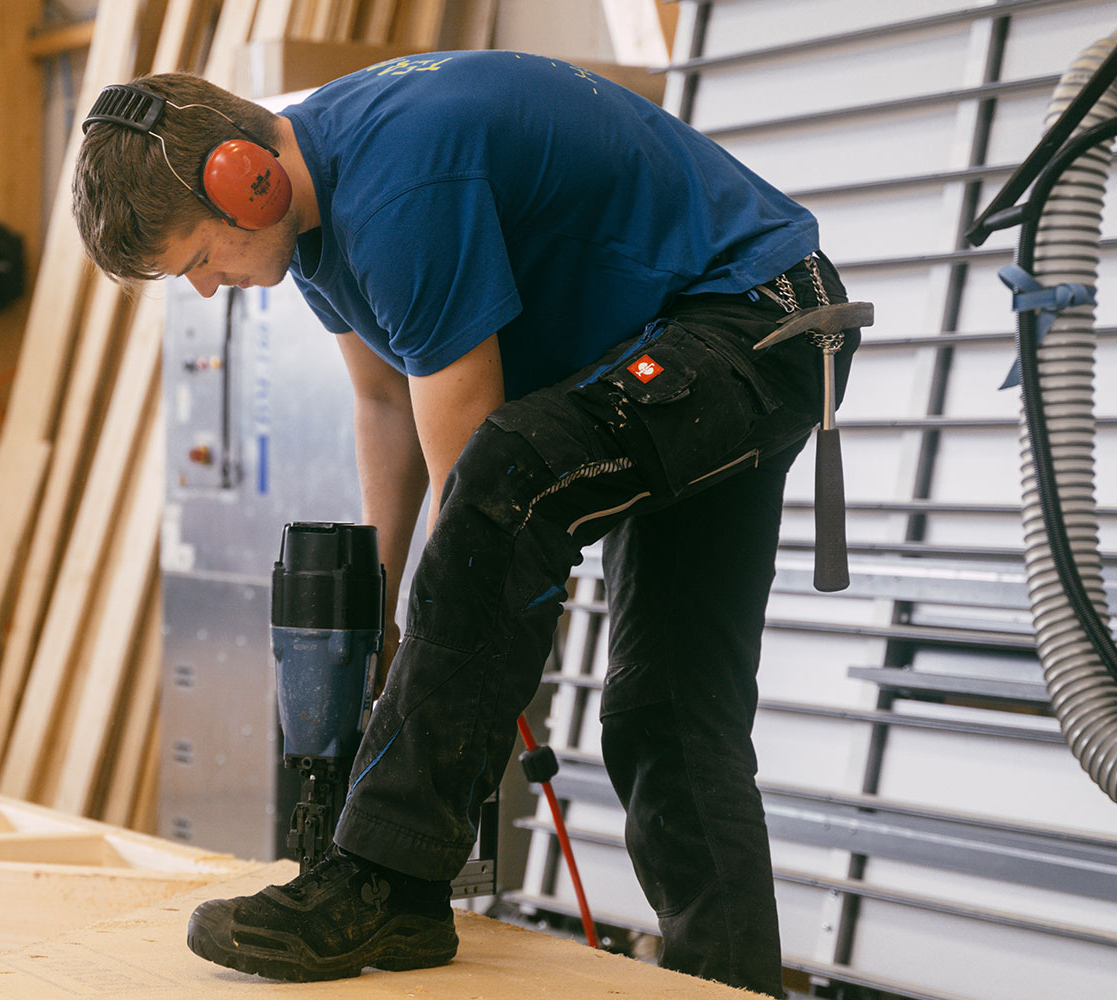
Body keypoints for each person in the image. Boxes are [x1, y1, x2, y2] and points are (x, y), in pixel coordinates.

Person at [72, 51, 860, 996]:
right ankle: (732, 982)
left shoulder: (401, 182)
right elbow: (381, 405)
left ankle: (376, 881)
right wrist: (380, 610)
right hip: (697, 335)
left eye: (200, 258)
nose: (207, 287)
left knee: (512, 475)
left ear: (248, 179)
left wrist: (451, 628)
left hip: (756, 323)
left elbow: (480, 470)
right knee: (670, 711)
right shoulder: (319, 222)